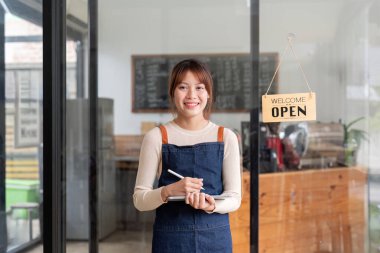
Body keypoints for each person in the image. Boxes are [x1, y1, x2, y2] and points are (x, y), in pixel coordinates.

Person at [133, 59, 241, 253]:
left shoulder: (225, 137)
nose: (192, 95)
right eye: (183, 87)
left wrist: (211, 205)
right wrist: (167, 191)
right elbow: (140, 200)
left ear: (208, 93)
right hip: (170, 239)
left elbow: (234, 198)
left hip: (215, 238)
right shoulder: (156, 137)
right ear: (173, 92)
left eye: (199, 87)